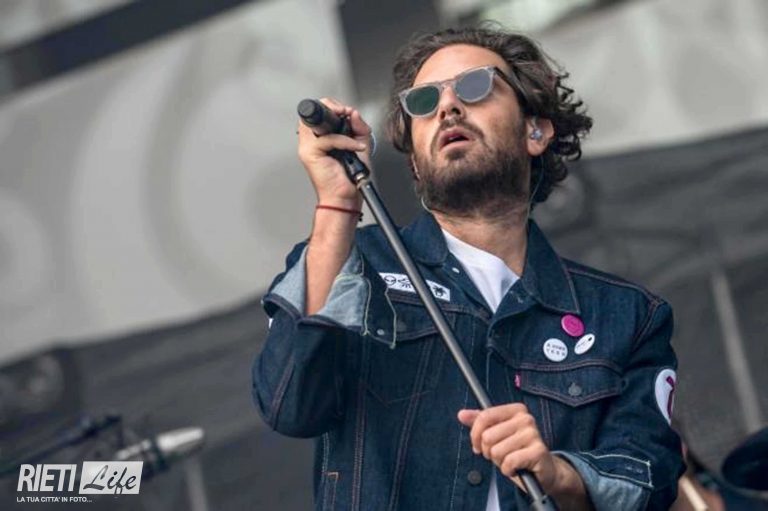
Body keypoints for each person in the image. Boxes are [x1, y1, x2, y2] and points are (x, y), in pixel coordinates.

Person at [252, 25, 685, 510]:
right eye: (423, 101)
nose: (448, 107)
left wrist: (559, 474)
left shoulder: (628, 314)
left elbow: (649, 475)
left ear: (535, 131)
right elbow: (289, 403)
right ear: (415, 162)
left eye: (476, 86)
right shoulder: (353, 264)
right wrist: (337, 201)